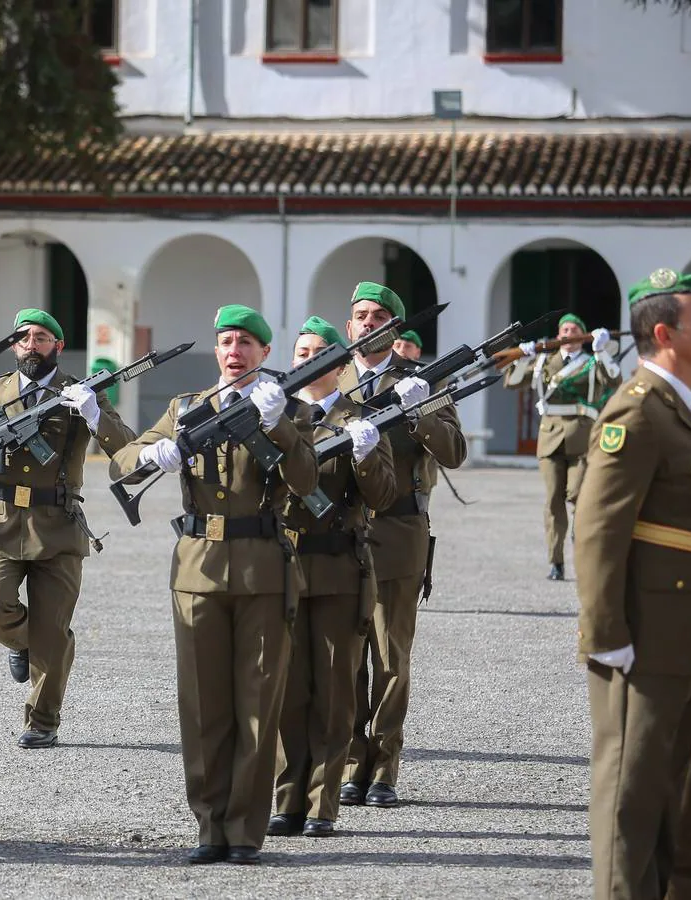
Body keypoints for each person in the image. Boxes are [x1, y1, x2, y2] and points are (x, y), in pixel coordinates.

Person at [111, 304, 318, 866]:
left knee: (257, 701)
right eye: (226, 341)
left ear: (266, 354)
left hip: (263, 569)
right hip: (198, 569)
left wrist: (278, 424)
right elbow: (122, 462)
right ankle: (209, 823)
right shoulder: (187, 409)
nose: (235, 351)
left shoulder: (289, 407)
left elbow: (308, 479)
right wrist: (153, 452)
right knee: (203, 704)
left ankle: (245, 829)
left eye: (247, 343)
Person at [574, 268, 691, 900]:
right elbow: (598, 530)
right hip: (649, 640)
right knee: (631, 797)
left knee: (684, 794)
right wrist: (606, 635)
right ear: (665, 334)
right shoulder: (635, 412)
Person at [0, 308, 135, 749]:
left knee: (53, 629)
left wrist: (95, 415)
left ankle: (43, 720)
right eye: (23, 337)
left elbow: (126, 450)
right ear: (13, 345)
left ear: (58, 347)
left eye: (42, 337)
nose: (31, 344)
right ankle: (25, 644)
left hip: (58, 524)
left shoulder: (81, 393)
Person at [336, 282, 467, 810]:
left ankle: (384, 766)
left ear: (395, 329)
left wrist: (422, 415)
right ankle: (349, 761)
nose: (367, 323)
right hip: (338, 535)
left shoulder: (423, 382)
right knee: (344, 657)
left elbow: (455, 452)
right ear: (348, 327)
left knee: (391, 657)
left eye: (378, 316)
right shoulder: (328, 378)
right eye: (359, 315)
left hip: (398, 532)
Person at [270, 316, 395, 840]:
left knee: (335, 690)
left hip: (340, 569)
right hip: (283, 566)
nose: (305, 361)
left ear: (339, 365)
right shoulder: (275, 414)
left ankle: (322, 804)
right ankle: (286, 799)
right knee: (288, 690)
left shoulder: (362, 418)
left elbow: (384, 496)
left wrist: (366, 456)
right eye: (300, 352)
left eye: (317, 352)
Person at [503, 313, 622, 580]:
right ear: (558, 337)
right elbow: (512, 382)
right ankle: (556, 561)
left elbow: (614, 380)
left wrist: (601, 350)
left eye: (574, 329)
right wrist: (522, 357)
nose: (568, 333)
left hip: (582, 436)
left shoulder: (592, 360)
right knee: (553, 499)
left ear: (583, 334)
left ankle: (582, 548)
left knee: (579, 496)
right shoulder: (545, 359)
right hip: (550, 436)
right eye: (563, 330)